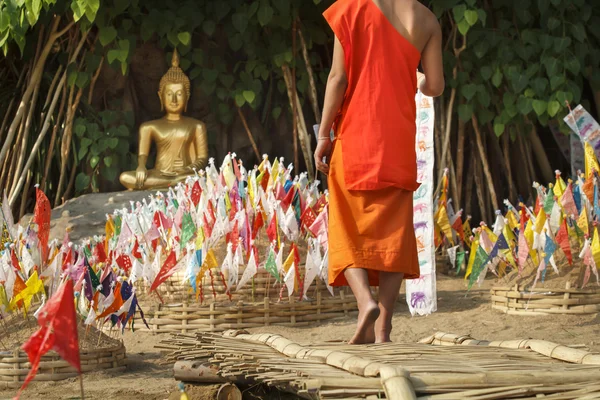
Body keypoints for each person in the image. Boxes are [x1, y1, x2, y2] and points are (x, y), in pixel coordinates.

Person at [315, 0, 444, 344]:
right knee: (394, 231)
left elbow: (338, 78)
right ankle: (384, 329)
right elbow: (435, 86)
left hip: (356, 133)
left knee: (345, 221)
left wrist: (324, 133)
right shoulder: (427, 20)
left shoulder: (350, 8)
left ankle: (364, 302)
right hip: (398, 138)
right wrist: (413, 75)